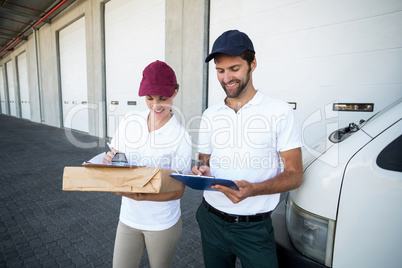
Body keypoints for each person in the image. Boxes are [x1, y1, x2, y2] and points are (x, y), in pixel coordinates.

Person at [191, 30, 303, 268]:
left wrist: (254, 189)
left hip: (254, 229)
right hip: (210, 219)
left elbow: (295, 175)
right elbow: (205, 163)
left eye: (234, 69)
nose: (226, 78)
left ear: (253, 64)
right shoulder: (210, 115)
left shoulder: (279, 112)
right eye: (220, 71)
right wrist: (200, 171)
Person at [103, 60, 192, 268]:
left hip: (162, 224)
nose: (156, 105)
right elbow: (116, 157)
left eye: (163, 98)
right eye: (149, 98)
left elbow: (178, 190)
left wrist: (139, 195)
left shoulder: (181, 136)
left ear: (175, 92)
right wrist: (109, 161)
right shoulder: (130, 121)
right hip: (128, 218)